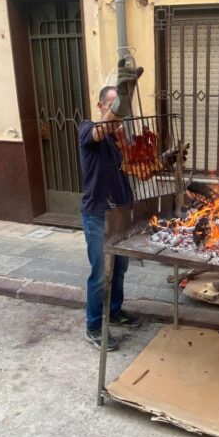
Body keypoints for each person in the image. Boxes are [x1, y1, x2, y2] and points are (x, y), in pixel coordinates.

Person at [78, 64, 142, 351]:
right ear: (100, 105)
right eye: (113, 104)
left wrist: (163, 161)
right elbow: (103, 127)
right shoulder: (88, 130)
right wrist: (123, 98)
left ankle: (114, 312)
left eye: (121, 104)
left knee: (119, 268)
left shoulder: (118, 141)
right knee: (101, 271)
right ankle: (94, 326)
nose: (118, 115)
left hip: (120, 212)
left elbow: (137, 170)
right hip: (98, 214)